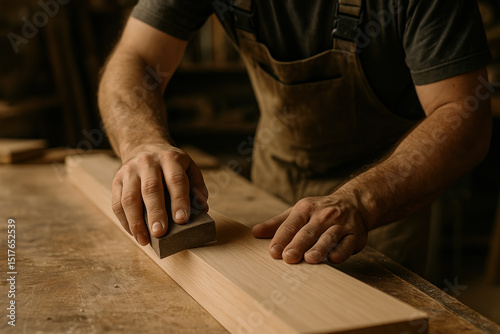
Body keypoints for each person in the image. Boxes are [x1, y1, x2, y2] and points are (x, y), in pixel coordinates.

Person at [98, 0, 492, 275]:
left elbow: (463, 114)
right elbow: (137, 56)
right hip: (276, 173)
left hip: (384, 194)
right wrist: (142, 142)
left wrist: (360, 199)